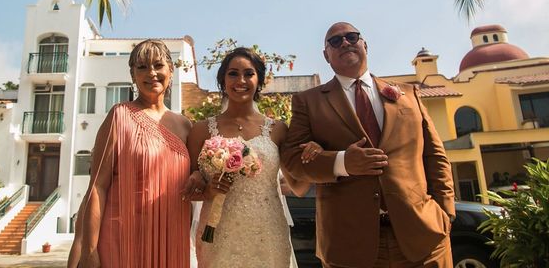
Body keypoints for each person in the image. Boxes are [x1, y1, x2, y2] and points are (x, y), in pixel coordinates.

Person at [282, 22, 456, 268]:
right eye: (335, 41)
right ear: (326, 55)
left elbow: (435, 155)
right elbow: (292, 161)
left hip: (423, 238)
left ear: (365, 45)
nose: (344, 43)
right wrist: (342, 162)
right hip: (348, 246)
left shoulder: (409, 94)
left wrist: (445, 213)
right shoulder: (308, 102)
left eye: (352, 37)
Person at [68, 39, 201, 268]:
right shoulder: (119, 116)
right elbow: (98, 186)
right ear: (133, 74)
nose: (152, 73)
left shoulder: (186, 126)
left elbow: (194, 185)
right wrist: (89, 252)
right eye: (142, 67)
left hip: (172, 239)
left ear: (171, 69)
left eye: (158, 65)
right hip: (122, 239)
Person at [187, 47, 321, 268]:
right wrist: (209, 190)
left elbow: (298, 187)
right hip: (218, 233)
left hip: (267, 233)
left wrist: (313, 157)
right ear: (222, 80)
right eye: (233, 73)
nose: (241, 80)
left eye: (249, 73)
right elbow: (191, 190)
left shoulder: (278, 129)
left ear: (259, 80)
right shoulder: (200, 131)